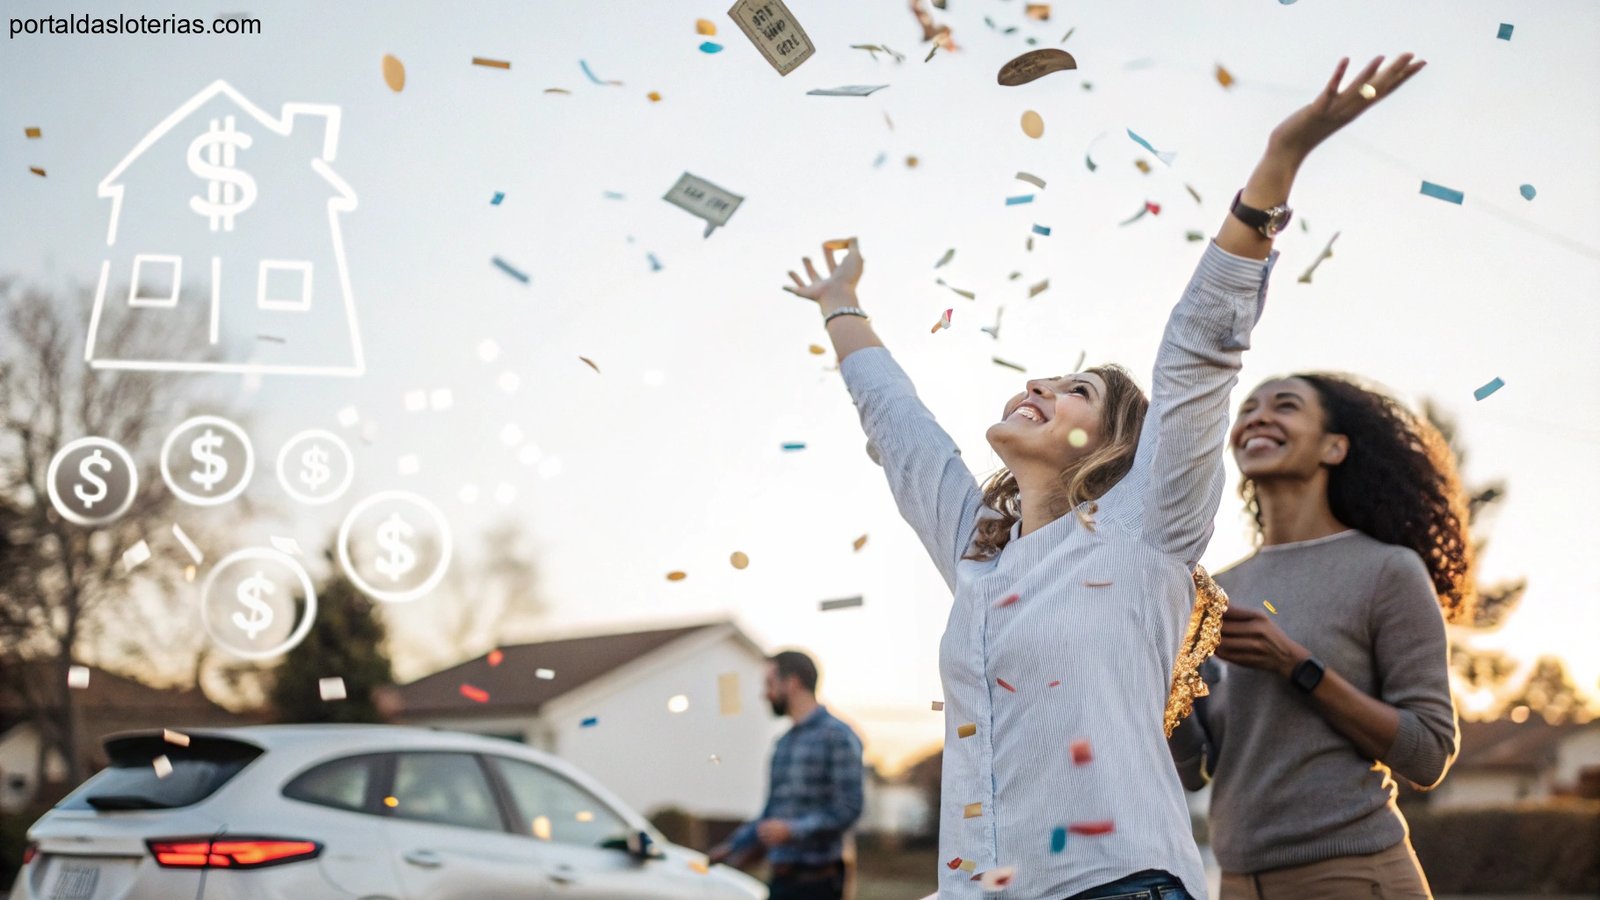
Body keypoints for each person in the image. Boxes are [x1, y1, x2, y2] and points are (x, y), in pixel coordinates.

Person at [781, 54, 1426, 900]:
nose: (1038, 386)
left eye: (1074, 388)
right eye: (1038, 378)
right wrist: (841, 304)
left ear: (1113, 448)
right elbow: (903, 435)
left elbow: (1199, 350)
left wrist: (1279, 162)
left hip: (1118, 886)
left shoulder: (1144, 526)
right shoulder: (978, 554)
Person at [1166, 371, 1470, 899]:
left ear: (1334, 447)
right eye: (1248, 409)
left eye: (1285, 407)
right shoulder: (1218, 589)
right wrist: (1165, 678)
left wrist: (1295, 666)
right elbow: (1196, 770)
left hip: (1354, 875)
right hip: (1237, 883)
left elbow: (1428, 754)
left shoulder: (1388, 571)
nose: (1258, 417)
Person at [711, 650, 864, 900]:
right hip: (781, 882)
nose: (764, 694)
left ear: (791, 683)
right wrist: (732, 847)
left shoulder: (839, 736)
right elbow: (771, 813)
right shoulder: (782, 744)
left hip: (819, 885)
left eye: (769, 684)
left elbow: (849, 808)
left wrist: (792, 830)